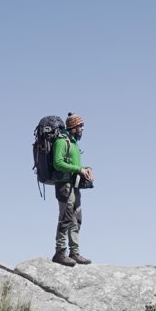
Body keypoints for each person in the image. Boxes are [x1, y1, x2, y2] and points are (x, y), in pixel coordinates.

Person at [52, 112, 94, 266]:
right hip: (64, 186)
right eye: (80, 126)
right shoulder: (61, 141)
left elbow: (73, 165)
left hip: (74, 185)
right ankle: (59, 253)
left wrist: (85, 169)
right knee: (66, 217)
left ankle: (74, 252)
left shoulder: (74, 142)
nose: (82, 129)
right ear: (73, 127)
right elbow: (57, 163)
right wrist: (78, 169)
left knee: (77, 218)